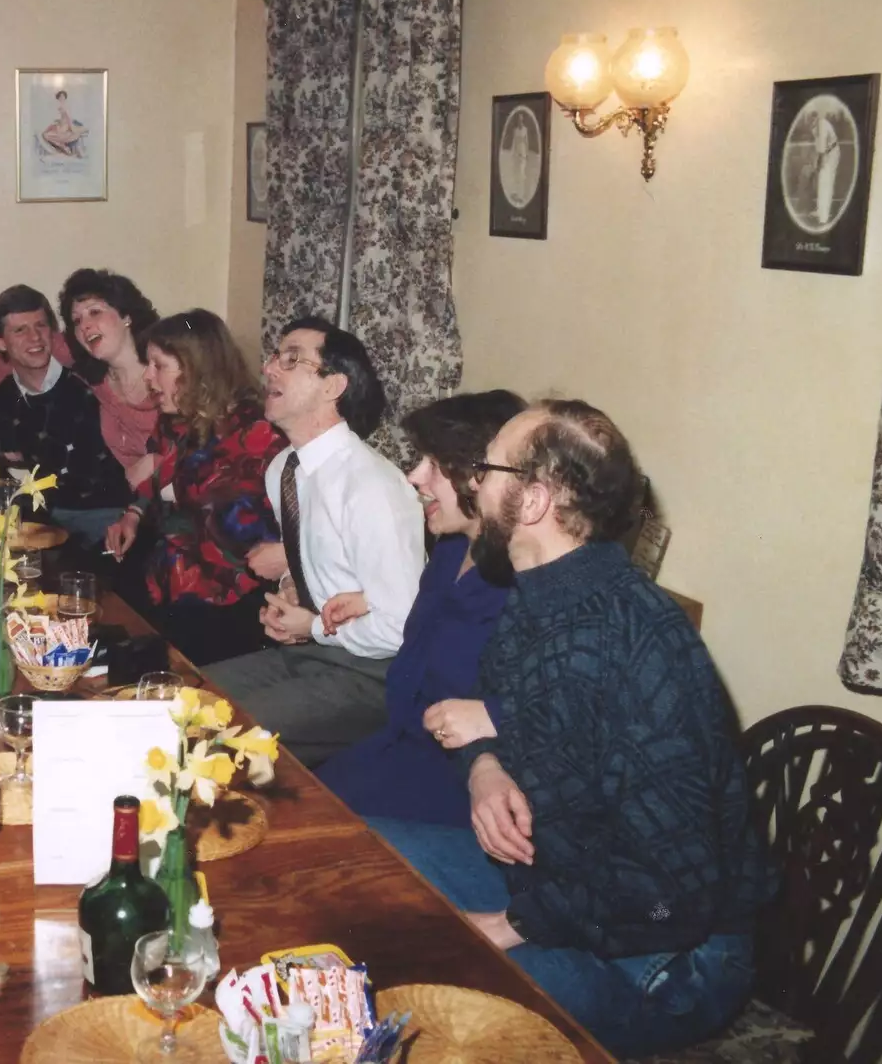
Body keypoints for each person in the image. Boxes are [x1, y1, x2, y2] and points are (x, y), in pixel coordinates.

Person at [373, 399, 773, 1058]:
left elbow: (672, 890)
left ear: (532, 501)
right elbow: (490, 709)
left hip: (666, 962)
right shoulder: (543, 594)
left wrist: (510, 924)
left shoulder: (625, 643)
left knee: (424, 999)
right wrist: (486, 770)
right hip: (558, 878)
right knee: (366, 856)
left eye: (487, 468)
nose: (472, 481)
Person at [203, 318, 424, 768]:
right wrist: (289, 588)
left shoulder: (372, 487)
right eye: (273, 357)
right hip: (315, 653)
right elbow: (311, 556)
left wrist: (313, 626)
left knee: (216, 740)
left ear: (333, 386)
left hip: (375, 675)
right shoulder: (285, 467)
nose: (269, 369)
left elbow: (402, 628)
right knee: (183, 701)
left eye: (291, 359)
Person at [315, 390, 527, 819]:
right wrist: (367, 599)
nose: (414, 477)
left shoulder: (522, 582)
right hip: (397, 744)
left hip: (457, 779)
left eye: (434, 465)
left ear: (479, 476)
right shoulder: (450, 549)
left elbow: (541, 709)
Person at [105, 309, 287, 665]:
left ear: (196, 369)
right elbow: (160, 472)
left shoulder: (258, 435)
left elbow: (247, 541)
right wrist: (133, 513)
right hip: (171, 577)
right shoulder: (181, 420)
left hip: (225, 601)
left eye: (159, 366)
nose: (148, 376)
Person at [0, 269, 161, 491]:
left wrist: (159, 460)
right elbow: (22, 351)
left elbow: (198, 434)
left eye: (95, 312)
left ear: (126, 315)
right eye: (77, 320)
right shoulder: (91, 375)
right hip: (133, 506)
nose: (85, 326)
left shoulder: (167, 368)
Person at [0, 285, 130, 546]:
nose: (35, 338)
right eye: (20, 330)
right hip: (43, 522)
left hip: (107, 519)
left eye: (40, 326)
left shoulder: (91, 382)